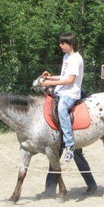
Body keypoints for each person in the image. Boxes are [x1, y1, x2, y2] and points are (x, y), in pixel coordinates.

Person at [40, 32, 83, 162]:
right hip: (62, 90)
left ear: (71, 44)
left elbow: (70, 80)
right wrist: (48, 77)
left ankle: (69, 145)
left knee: (61, 109)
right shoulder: (66, 57)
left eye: (63, 43)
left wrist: (50, 83)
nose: (60, 45)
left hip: (71, 93)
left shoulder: (76, 59)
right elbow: (63, 76)